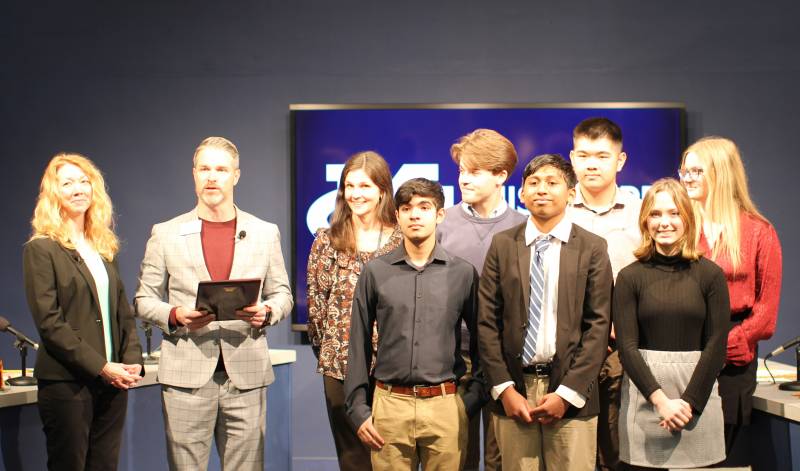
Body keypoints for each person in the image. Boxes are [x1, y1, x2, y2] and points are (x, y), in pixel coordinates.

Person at [134, 136, 293, 471]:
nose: (211, 177)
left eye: (220, 169)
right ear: (193, 174)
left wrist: (268, 312)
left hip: (246, 375)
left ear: (236, 175)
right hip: (186, 375)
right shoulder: (165, 233)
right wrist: (175, 314)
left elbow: (283, 295)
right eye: (204, 168)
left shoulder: (264, 232)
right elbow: (143, 300)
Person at [478, 154, 613, 471]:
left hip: (571, 394)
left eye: (553, 183)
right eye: (534, 183)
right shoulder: (502, 245)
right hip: (515, 394)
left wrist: (566, 394)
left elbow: (598, 326)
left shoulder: (593, 248)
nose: (542, 189)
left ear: (571, 193)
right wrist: (505, 389)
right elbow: (486, 323)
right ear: (521, 193)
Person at [345, 178, 487, 471]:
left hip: (445, 405)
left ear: (439, 215)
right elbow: (357, 343)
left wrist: (469, 402)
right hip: (389, 405)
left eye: (424, 207)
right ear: (397, 215)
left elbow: (483, 343)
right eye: (407, 208)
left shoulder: (463, 273)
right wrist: (358, 408)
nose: (415, 214)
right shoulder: (375, 272)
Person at [22, 152, 143, 470]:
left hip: (113, 383)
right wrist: (101, 366)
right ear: (53, 193)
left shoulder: (103, 246)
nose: (78, 189)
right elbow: (50, 323)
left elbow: (122, 311)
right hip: (67, 385)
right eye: (67, 183)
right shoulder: (41, 248)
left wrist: (131, 361)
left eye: (84, 181)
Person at [679, 137, 782, 465]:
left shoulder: (758, 231)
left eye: (698, 170)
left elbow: (766, 312)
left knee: (725, 456)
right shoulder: (677, 227)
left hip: (732, 357)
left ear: (721, 173)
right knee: (679, 450)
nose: (688, 177)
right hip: (680, 352)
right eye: (685, 170)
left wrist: (726, 348)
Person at [615, 178, 729, 469]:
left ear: (687, 219)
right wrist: (662, 402)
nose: (664, 222)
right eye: (655, 214)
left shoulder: (711, 275)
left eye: (674, 213)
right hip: (645, 396)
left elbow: (716, 344)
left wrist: (688, 403)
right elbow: (627, 347)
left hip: (698, 399)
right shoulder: (629, 277)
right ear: (645, 221)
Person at [306, 151, 402, 470]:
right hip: (341, 367)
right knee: (353, 459)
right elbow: (317, 309)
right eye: (350, 186)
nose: (356, 194)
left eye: (365, 185)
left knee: (391, 456)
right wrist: (333, 350)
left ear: (382, 190)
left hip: (394, 368)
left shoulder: (403, 241)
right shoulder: (326, 241)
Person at [438, 128, 526, 471]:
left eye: (474, 171)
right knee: (456, 457)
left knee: (502, 458)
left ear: (501, 175)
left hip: (505, 358)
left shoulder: (523, 226)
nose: (464, 179)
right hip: (453, 358)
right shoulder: (441, 224)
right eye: (461, 170)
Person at [568, 117, 641, 471]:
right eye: (583, 155)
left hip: (622, 350)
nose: (591, 164)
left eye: (601, 155)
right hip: (568, 350)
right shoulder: (555, 212)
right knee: (570, 452)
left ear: (621, 160)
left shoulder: (642, 215)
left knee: (618, 451)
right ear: (572, 158)